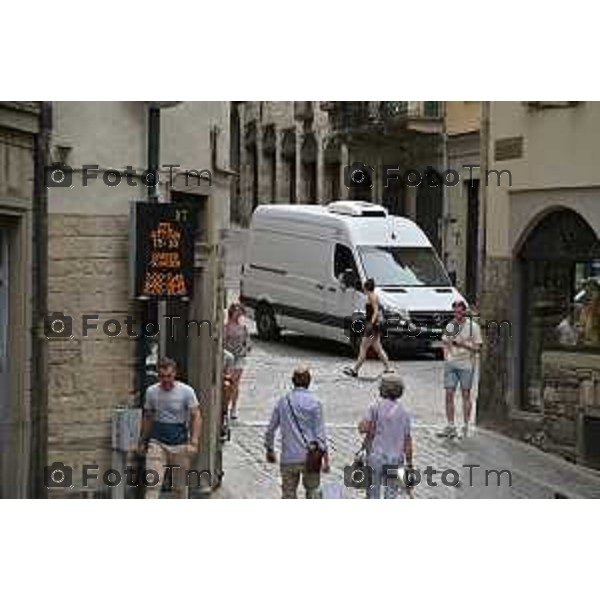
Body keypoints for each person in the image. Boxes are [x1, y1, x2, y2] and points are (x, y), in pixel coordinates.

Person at [138, 357, 202, 499]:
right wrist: (142, 440)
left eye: (169, 376)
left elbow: (196, 416)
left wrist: (194, 442)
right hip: (157, 442)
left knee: (179, 487)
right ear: (157, 375)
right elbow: (148, 417)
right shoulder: (151, 392)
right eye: (162, 376)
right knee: (152, 483)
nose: (166, 380)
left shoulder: (186, 391)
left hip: (179, 443)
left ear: (175, 374)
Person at [264, 366, 330, 499]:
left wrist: (270, 449)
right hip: (311, 457)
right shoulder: (315, 403)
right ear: (309, 381)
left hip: (289, 457)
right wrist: (326, 459)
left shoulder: (283, 402)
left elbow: (271, 429)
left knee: (288, 494)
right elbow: (320, 434)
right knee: (313, 492)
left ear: (293, 381)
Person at [358, 372, 413, 499]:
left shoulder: (375, 407)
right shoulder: (404, 412)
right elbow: (407, 440)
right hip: (396, 459)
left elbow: (362, 428)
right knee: (392, 492)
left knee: (372, 492)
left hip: (376, 456)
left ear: (382, 389)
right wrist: (409, 462)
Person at [438, 300, 482, 439]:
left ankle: (465, 425)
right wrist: (446, 357)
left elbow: (478, 348)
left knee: (466, 395)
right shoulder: (451, 325)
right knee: (449, 393)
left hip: (466, 365)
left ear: (464, 311)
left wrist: (464, 345)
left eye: (459, 311)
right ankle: (450, 426)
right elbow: (445, 342)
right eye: (455, 311)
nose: (457, 314)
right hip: (451, 364)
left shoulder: (473, 327)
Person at [344, 278, 393, 377]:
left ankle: (355, 370)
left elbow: (375, 311)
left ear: (366, 287)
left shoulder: (371, 297)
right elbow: (377, 310)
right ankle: (388, 368)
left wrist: (371, 323)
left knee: (363, 348)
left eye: (364, 286)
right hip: (375, 327)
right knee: (378, 349)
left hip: (371, 328)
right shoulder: (375, 296)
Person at [223, 302, 250, 420]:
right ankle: (226, 406)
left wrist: (245, 349)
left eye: (240, 311)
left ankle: (233, 408)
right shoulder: (226, 327)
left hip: (239, 358)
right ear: (232, 312)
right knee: (230, 383)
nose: (239, 313)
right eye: (237, 311)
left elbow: (248, 342)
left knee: (236, 383)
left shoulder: (243, 327)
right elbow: (223, 342)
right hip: (229, 358)